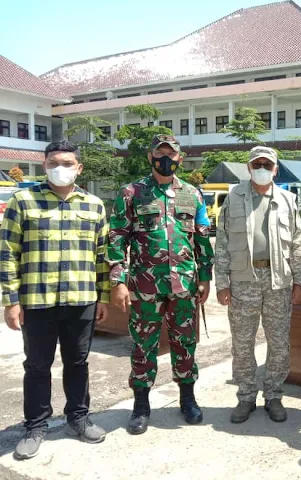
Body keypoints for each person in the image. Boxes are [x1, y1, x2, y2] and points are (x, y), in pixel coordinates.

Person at [0, 140, 110, 460]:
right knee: (37, 366)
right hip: (37, 300)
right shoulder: (23, 202)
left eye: (66, 162)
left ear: (79, 167)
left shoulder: (94, 205)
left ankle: (78, 417)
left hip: (81, 298)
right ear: (44, 165)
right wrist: (11, 300)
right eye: (52, 162)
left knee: (77, 363)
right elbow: (7, 255)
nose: (59, 168)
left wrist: (102, 297)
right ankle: (36, 426)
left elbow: (102, 255)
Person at [108, 135, 214, 435]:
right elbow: (118, 236)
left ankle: (188, 398)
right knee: (144, 345)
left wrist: (205, 277)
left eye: (171, 153)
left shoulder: (192, 194)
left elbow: (202, 237)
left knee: (185, 343)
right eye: (160, 153)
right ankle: (141, 405)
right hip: (145, 286)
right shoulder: (132, 192)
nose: (165, 158)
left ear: (180, 158)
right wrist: (118, 281)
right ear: (150, 156)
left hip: (185, 285)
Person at [215, 146, 301, 424]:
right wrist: (221, 282)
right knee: (242, 343)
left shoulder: (289, 200)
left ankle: (274, 395)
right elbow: (222, 242)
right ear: (249, 167)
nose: (263, 168)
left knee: (278, 343)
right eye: (258, 164)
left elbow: (297, 242)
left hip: (278, 280)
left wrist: (300, 280)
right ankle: (245, 396)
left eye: (268, 164)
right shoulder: (233, 198)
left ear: (276, 169)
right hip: (244, 280)